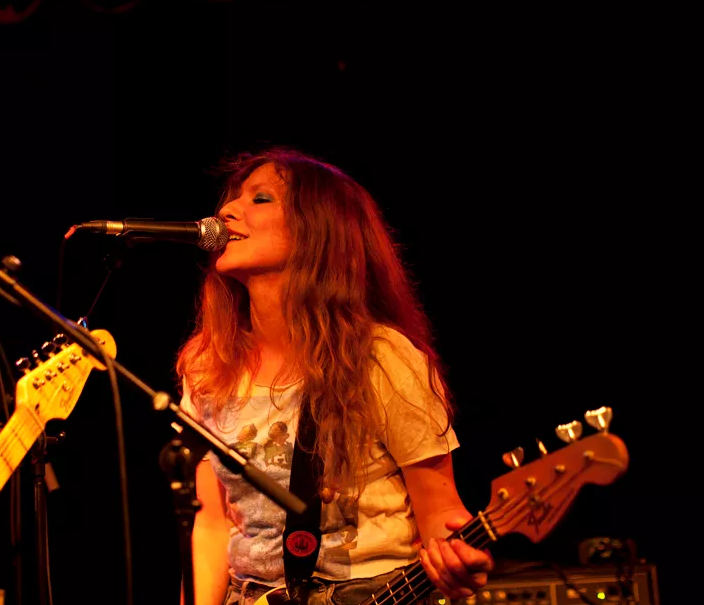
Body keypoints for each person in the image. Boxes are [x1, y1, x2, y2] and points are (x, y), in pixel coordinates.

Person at [176, 148, 494, 605]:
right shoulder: (208, 365)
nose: (227, 210)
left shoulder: (381, 357)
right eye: (233, 197)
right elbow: (211, 525)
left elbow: (439, 511)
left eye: (261, 198)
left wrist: (458, 559)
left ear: (317, 230)